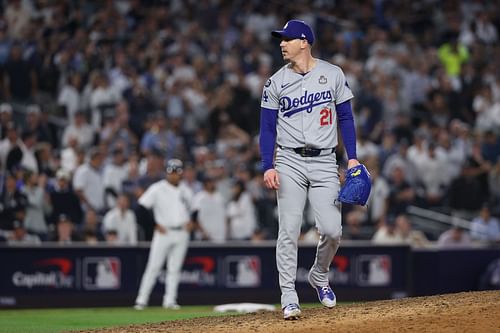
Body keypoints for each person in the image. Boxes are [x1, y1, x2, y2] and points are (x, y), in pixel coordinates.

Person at [259, 19, 360, 319]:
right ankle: (288, 295)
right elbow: (266, 128)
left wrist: (352, 157)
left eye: (287, 39)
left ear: (304, 41)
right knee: (288, 230)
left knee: (332, 230)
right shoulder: (275, 82)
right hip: (289, 160)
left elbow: (346, 117)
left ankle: (319, 274)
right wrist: (268, 165)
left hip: (325, 161)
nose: (281, 43)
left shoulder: (332, 74)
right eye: (281, 39)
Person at [134, 159, 193, 310]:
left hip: (181, 232)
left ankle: (170, 300)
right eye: (171, 172)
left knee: (175, 268)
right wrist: (153, 224)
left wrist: (192, 221)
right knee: (153, 267)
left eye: (177, 172)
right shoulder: (157, 188)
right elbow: (140, 208)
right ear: (167, 173)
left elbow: (195, 209)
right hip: (164, 232)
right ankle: (141, 300)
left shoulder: (186, 189)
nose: (174, 175)